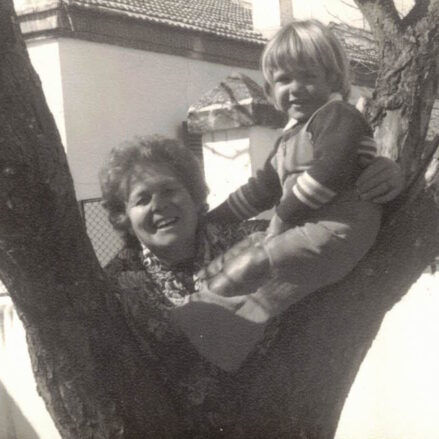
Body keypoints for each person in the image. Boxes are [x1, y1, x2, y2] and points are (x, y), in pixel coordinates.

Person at [101, 135, 402, 377]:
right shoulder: (116, 287)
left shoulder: (253, 238)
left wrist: (379, 179)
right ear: (124, 217)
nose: (160, 205)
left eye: (169, 189)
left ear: (193, 196)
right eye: (142, 198)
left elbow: (338, 236)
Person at [184, 19, 385, 335]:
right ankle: (207, 314)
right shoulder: (288, 140)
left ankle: (195, 317)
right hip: (311, 229)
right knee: (246, 253)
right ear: (270, 90)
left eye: (307, 76)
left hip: (340, 228)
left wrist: (283, 216)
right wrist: (214, 219)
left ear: (332, 79)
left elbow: (330, 172)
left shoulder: (338, 117)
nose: (294, 88)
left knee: (256, 261)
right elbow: (259, 190)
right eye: (283, 79)